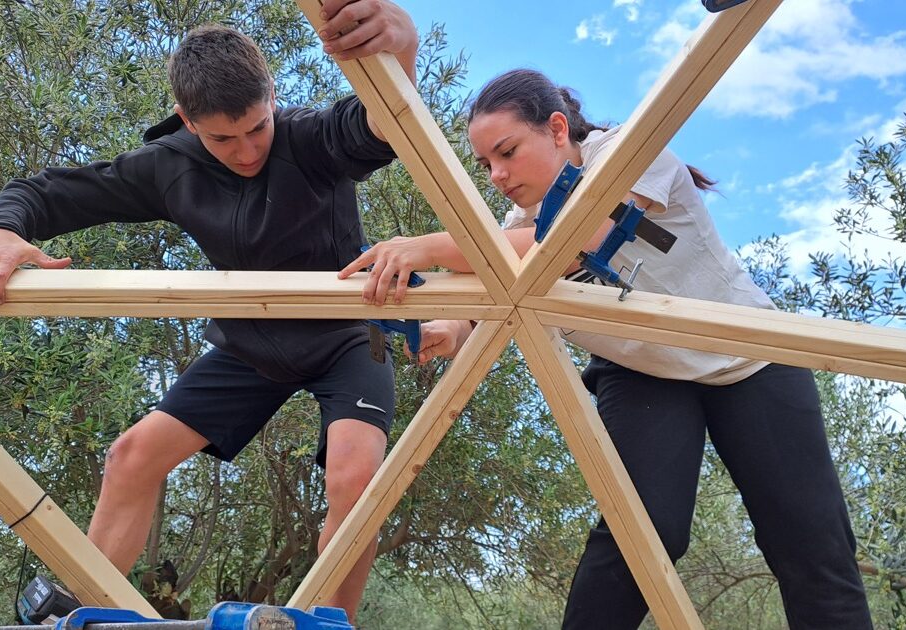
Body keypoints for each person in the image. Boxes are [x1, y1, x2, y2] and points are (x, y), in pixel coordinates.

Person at [340, 68, 874, 628]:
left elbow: (577, 238)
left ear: (555, 128)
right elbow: (482, 309)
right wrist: (442, 329)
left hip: (749, 356)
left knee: (810, 541)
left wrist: (424, 246)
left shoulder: (631, 151)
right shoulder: (513, 226)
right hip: (639, 369)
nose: (497, 175)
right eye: (485, 165)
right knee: (640, 537)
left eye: (507, 152)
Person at [0, 3, 418, 620]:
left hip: (348, 339)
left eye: (256, 128)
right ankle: (86, 608)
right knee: (131, 456)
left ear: (272, 97)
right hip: (252, 346)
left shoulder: (309, 139)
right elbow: (47, 193)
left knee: (355, 483)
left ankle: (328, 622)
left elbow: (382, 123)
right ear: (188, 121)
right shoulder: (170, 166)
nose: (246, 151)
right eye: (223, 137)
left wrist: (399, 52)